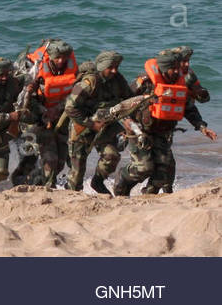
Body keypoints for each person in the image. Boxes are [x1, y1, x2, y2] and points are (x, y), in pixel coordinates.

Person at [113, 50, 216, 195]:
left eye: (177, 68)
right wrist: (128, 122)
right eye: (172, 68)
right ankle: (122, 180)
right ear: (163, 68)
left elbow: (189, 108)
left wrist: (202, 127)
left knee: (163, 173)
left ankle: (148, 196)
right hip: (140, 131)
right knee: (144, 168)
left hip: (163, 132)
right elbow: (121, 105)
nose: (176, 71)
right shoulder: (144, 82)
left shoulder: (179, 83)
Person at [64, 50, 133, 194]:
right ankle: (71, 193)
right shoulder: (89, 83)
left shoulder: (118, 80)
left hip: (106, 125)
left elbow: (128, 99)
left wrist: (128, 121)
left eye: (116, 67)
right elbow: (70, 107)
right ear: (102, 66)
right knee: (77, 175)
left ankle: (97, 182)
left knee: (112, 156)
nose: (114, 70)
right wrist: (91, 124)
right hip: (83, 127)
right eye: (111, 67)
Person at [11, 39, 77, 187]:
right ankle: (20, 183)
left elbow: (74, 94)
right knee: (29, 159)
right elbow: (21, 102)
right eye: (57, 58)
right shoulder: (32, 70)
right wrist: (42, 109)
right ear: (51, 56)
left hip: (58, 117)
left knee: (58, 162)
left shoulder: (72, 68)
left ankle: (40, 183)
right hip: (33, 119)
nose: (61, 61)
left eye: (64, 58)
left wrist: (57, 109)